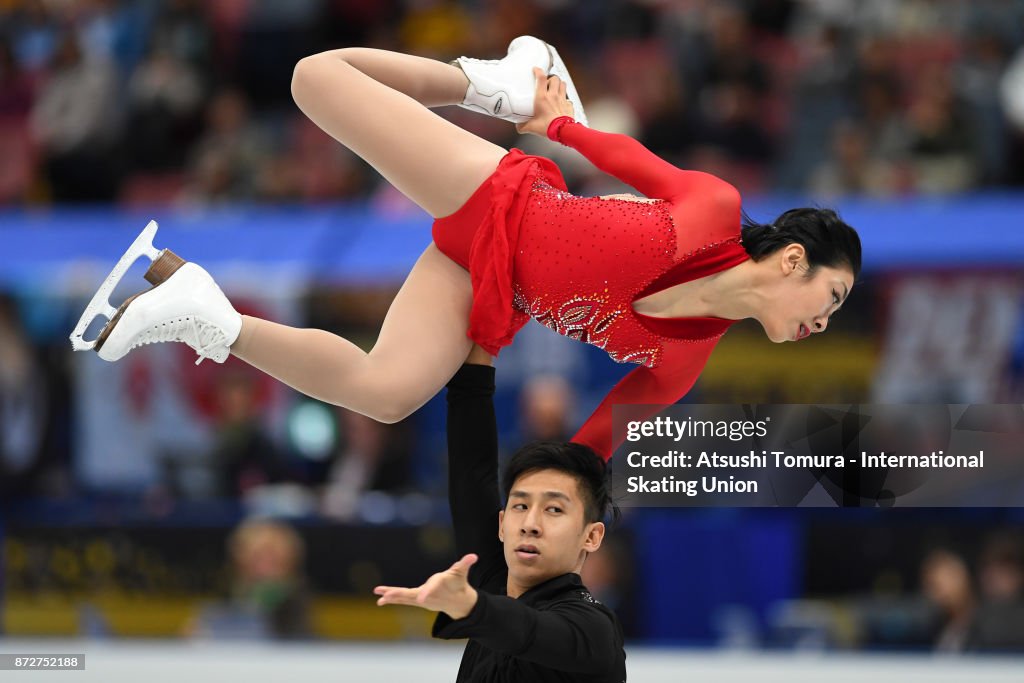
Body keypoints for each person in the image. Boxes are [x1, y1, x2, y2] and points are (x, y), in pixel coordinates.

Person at [76, 36, 861, 461]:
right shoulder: (714, 210)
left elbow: (584, 452)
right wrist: (548, 119)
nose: (825, 320)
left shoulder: (682, 363)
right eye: (831, 298)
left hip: (481, 278)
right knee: (314, 76)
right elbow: (632, 161)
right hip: (496, 194)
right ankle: (483, 83)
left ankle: (203, 316)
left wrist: (558, 506)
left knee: (386, 393)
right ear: (793, 259)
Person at [374, 345, 626, 681]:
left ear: (591, 536)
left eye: (553, 509)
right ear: (502, 524)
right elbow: (470, 473)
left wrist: (471, 606)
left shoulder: (594, 628)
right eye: (520, 506)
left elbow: (529, 630)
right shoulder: (495, 582)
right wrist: (481, 341)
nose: (530, 524)